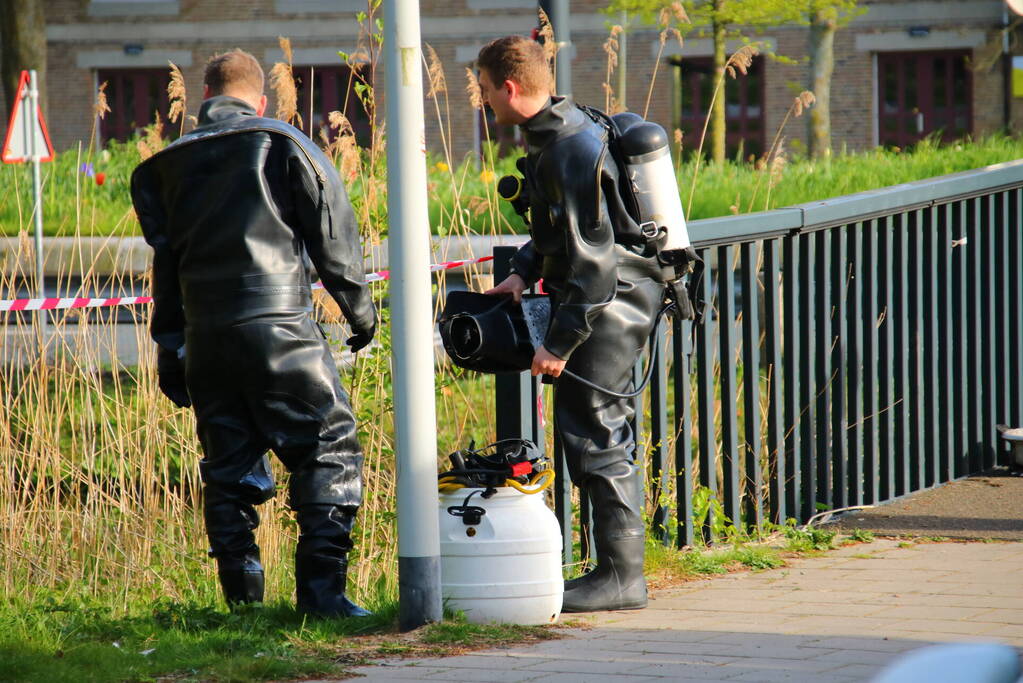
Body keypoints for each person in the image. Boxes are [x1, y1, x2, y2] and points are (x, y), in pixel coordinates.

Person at [130, 49, 376, 617]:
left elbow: (164, 271)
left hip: (206, 338)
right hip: (279, 329)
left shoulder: (167, 166)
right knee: (328, 447)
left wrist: (171, 350)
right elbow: (331, 230)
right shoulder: (280, 141)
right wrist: (359, 312)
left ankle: (243, 605)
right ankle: (323, 598)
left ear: (205, 99)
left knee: (227, 464)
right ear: (259, 100)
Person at [478, 36, 667, 612]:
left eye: (485, 91)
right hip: (609, 294)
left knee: (598, 431)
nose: (483, 102)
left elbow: (594, 263)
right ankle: (612, 569)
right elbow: (559, 227)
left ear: (509, 88)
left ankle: (621, 577)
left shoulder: (567, 146)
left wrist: (558, 343)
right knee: (596, 428)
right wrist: (522, 271)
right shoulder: (561, 129)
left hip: (610, 302)